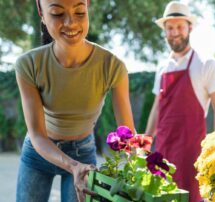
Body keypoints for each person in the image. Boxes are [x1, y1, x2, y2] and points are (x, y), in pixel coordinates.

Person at [15, 0, 135, 201]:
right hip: (38, 153)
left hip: (83, 153)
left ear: (87, 7)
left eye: (79, 12)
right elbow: (37, 135)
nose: (71, 23)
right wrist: (72, 166)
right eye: (57, 13)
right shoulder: (28, 64)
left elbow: (128, 136)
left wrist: (142, 169)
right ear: (41, 13)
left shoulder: (113, 66)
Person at [145, 1, 215, 202]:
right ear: (165, 31)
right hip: (163, 151)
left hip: (191, 154)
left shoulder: (207, 64)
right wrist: (146, 140)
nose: (175, 32)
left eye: (180, 26)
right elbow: (157, 108)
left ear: (190, 27)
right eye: (170, 28)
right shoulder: (162, 68)